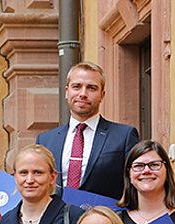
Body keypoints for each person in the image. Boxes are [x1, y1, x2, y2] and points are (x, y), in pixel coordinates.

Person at [36, 62, 139, 200]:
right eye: (77, 87)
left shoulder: (124, 136)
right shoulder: (45, 140)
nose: (83, 94)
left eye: (91, 88)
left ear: (102, 95)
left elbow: (135, 185)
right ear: (67, 92)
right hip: (57, 219)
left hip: (105, 218)